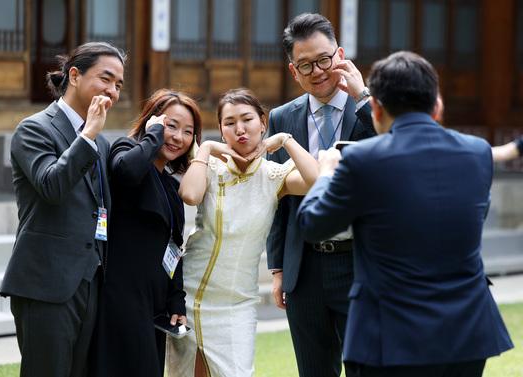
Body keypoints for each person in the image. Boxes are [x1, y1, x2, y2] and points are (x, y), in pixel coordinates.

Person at [297, 51, 514, 377]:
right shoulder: (477, 153)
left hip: (389, 334)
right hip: (465, 331)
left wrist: (326, 171)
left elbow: (312, 224)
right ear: (437, 106)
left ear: (377, 108)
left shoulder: (362, 161)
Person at [166, 88, 319, 377]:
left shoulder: (274, 175)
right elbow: (189, 194)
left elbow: (316, 180)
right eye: (230, 122)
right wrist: (207, 149)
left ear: (263, 122)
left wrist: (286, 139)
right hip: (190, 295)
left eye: (247, 119)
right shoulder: (208, 165)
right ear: (222, 129)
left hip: (237, 304)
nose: (240, 129)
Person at [0, 42, 125, 377]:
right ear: (74, 74)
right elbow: (51, 186)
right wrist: (87, 135)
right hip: (45, 284)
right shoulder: (34, 129)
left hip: (91, 281)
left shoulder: (101, 143)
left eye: (118, 85)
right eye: (106, 79)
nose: (112, 91)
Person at [266, 13, 376, 377]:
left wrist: (363, 95)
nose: (318, 71)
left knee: (369, 367)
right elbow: (276, 193)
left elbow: (395, 153)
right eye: (305, 65)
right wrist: (278, 267)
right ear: (293, 71)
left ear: (341, 55)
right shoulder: (282, 118)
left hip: (360, 264)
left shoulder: (371, 110)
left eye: (325, 59)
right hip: (306, 267)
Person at [89, 89, 202, 377]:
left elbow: (174, 248)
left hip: (154, 303)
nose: (178, 137)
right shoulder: (125, 150)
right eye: (171, 125)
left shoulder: (172, 188)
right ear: (152, 121)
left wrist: (176, 300)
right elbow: (126, 172)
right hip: (121, 295)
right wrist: (153, 136)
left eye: (188, 132)